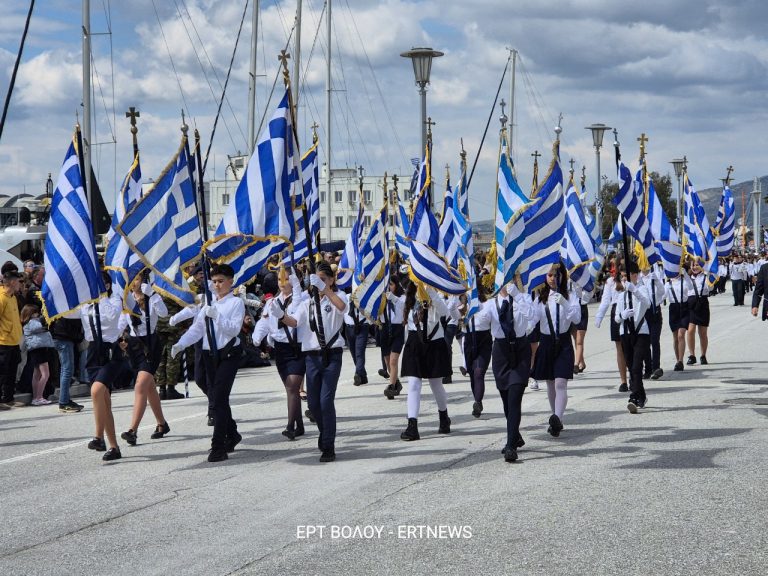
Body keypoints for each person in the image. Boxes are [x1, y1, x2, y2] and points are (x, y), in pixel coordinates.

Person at [172, 263, 246, 462]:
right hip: (207, 354)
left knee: (219, 400)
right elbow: (197, 329)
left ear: (231, 282)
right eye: (214, 281)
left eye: (221, 281)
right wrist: (181, 343)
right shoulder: (208, 302)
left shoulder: (236, 303)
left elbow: (233, 330)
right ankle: (232, 432)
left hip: (227, 354)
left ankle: (218, 446)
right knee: (207, 388)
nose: (217, 285)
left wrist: (217, 315)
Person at [280, 261, 348, 463]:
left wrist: (325, 289)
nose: (318, 284)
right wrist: (281, 315)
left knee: (326, 401)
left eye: (324, 279)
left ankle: (328, 445)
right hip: (312, 357)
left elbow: (342, 307)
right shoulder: (307, 303)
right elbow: (294, 321)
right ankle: (324, 431)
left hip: (332, 355)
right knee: (313, 403)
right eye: (315, 281)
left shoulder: (338, 296)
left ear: (331, 280)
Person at [398, 281, 458, 441]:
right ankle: (412, 425)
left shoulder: (435, 294)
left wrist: (430, 292)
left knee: (436, 384)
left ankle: (444, 416)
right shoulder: (408, 297)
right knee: (413, 384)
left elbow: (445, 312)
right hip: (414, 343)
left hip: (434, 343)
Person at [531, 262, 581, 437]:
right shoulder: (540, 298)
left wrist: (566, 304)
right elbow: (532, 321)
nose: (553, 278)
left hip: (563, 342)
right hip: (546, 342)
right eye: (550, 275)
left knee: (561, 382)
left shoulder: (570, 295)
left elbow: (576, 318)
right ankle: (555, 419)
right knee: (550, 383)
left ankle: (557, 417)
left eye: (556, 275)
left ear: (562, 276)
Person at [120, 276, 171, 447]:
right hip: (134, 346)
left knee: (140, 386)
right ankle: (162, 424)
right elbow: (122, 322)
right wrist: (117, 338)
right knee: (149, 388)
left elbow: (164, 313)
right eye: (131, 280)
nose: (134, 283)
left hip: (150, 344)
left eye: (137, 279)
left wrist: (153, 294)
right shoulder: (126, 300)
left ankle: (132, 431)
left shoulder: (151, 297)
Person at [487, 280, 533, 462]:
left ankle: (510, 446)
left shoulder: (524, 298)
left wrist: (517, 295)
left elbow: (532, 316)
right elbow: (476, 322)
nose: (507, 283)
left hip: (520, 350)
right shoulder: (491, 304)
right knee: (506, 399)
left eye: (511, 278)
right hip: (501, 352)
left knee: (515, 396)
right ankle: (515, 434)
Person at [82, 272, 125, 461]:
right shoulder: (85, 304)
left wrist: (101, 297)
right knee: (104, 402)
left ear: (107, 285)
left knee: (96, 390)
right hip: (93, 351)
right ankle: (114, 447)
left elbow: (112, 316)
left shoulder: (114, 300)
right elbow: (67, 312)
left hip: (110, 351)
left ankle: (98, 437)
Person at [261, 266, 307, 440]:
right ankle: (300, 425)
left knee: (292, 386)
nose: (282, 283)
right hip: (281, 349)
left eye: (287, 279)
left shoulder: (303, 299)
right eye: (280, 279)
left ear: (296, 280)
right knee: (291, 390)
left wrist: (297, 291)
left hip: (297, 348)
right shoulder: (273, 301)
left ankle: (290, 426)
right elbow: (265, 321)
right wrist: (261, 338)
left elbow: (296, 320)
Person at [614, 261, 651, 413]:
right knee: (631, 367)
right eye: (622, 277)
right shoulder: (621, 295)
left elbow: (647, 303)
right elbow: (616, 318)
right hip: (625, 333)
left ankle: (633, 396)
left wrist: (634, 290)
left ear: (635, 275)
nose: (624, 281)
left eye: (626, 277)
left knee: (636, 367)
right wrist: (622, 315)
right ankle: (641, 395)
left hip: (641, 331)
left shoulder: (641, 289)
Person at [595, 268, 629, 391]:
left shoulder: (631, 278)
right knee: (619, 347)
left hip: (630, 309)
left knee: (630, 346)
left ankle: (635, 375)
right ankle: (623, 381)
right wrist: (599, 316)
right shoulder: (611, 282)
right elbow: (605, 300)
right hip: (616, 311)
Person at [462, 284, 492, 418]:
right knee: (472, 373)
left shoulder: (486, 305)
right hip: (468, 340)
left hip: (483, 340)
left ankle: (478, 401)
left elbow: (493, 321)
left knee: (479, 372)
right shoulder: (462, 307)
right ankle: (477, 400)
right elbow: (452, 313)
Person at [21, 304, 55, 405]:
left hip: (37, 349)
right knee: (45, 374)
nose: (38, 314)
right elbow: (43, 326)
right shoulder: (32, 322)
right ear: (31, 314)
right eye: (36, 312)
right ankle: (39, 397)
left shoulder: (29, 322)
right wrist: (45, 316)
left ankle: (36, 397)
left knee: (37, 375)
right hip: (39, 349)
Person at [0, 268, 24, 409]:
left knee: (11, 372)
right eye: (19, 282)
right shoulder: (1, 298)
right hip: (3, 342)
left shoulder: (13, 297)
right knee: (2, 373)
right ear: (13, 282)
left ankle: (8, 399)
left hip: (14, 341)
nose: (20, 284)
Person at [381, 275, 406, 400]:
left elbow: (405, 306)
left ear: (396, 285)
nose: (389, 287)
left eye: (391, 284)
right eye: (387, 285)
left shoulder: (402, 297)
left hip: (397, 330)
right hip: (384, 328)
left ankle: (391, 386)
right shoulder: (382, 298)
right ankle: (395, 382)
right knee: (387, 361)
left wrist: (394, 299)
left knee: (393, 360)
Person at [665, 263, 693, 371]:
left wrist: (685, 274)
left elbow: (690, 287)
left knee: (681, 334)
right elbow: (662, 295)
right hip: (673, 309)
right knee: (675, 337)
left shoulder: (685, 280)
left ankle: (681, 360)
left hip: (684, 308)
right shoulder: (668, 284)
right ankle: (678, 360)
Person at [641, 264, 666, 381]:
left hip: (655, 311)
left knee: (654, 340)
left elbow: (662, 293)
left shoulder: (655, 274)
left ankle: (656, 367)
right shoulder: (638, 278)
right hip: (643, 313)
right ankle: (648, 369)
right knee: (645, 342)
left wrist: (656, 281)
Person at [686, 262, 711, 365]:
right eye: (693, 265)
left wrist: (708, 273)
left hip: (702, 303)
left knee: (703, 332)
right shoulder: (687, 278)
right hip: (691, 304)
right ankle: (692, 355)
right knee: (690, 330)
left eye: (697, 265)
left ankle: (703, 355)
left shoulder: (705, 277)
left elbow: (711, 288)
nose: (695, 267)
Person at [344, 297, 369, 386]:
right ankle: (363, 375)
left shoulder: (364, 295)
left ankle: (358, 374)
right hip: (349, 328)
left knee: (359, 352)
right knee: (354, 353)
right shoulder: (344, 296)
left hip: (362, 326)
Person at [569, 283, 591, 374]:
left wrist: (583, 298)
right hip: (570, 308)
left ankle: (576, 364)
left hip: (581, 307)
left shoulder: (583, 276)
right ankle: (582, 362)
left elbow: (590, 291)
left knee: (579, 340)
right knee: (575, 338)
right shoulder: (565, 277)